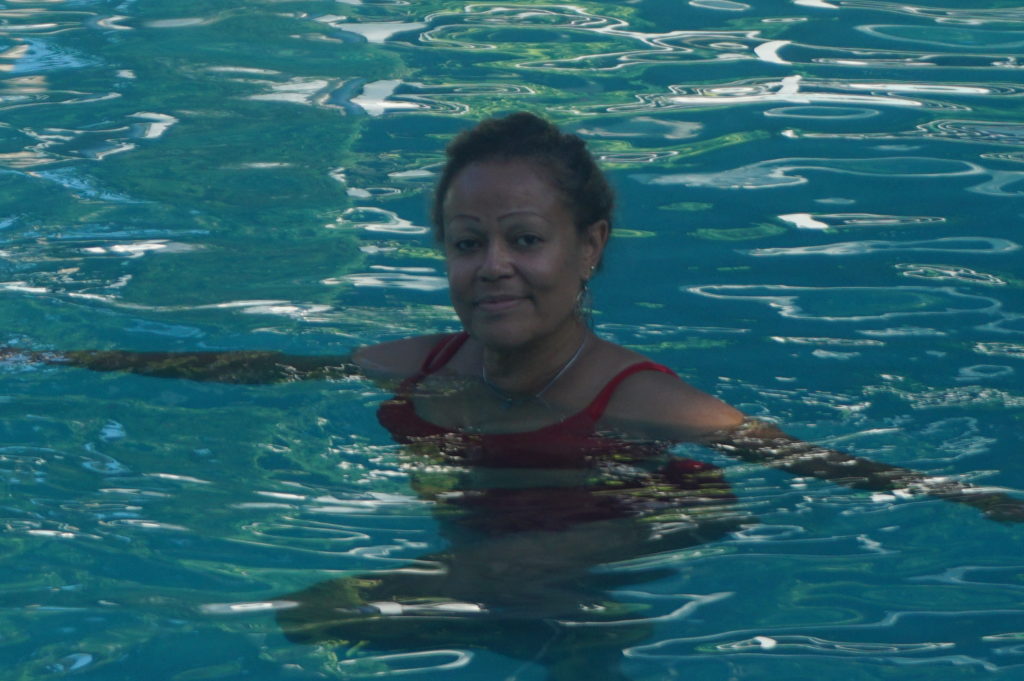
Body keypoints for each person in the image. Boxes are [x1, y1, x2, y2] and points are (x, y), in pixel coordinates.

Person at [3, 112, 1022, 678]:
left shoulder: (643, 399)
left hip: (648, 510)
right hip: (505, 540)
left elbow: (798, 458)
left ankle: (556, 616)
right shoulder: (419, 366)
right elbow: (258, 370)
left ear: (588, 252)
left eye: (525, 241)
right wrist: (54, 361)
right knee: (409, 615)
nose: (495, 266)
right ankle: (564, 629)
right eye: (466, 243)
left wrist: (975, 499)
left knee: (339, 609)